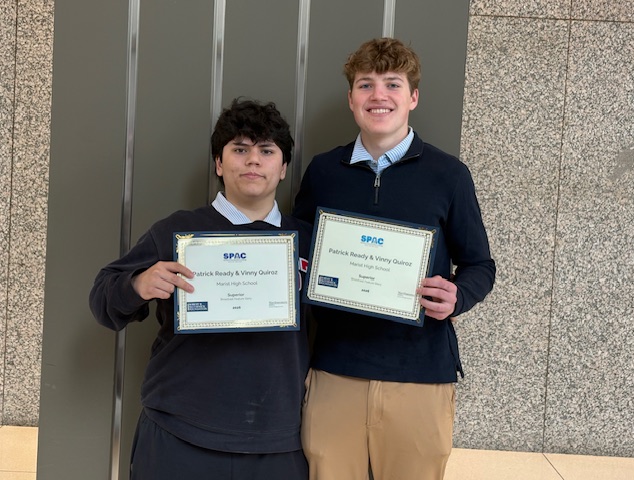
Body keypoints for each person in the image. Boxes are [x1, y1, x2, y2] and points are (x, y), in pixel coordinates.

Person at [293, 38, 496, 480]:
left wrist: (457, 296)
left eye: (392, 84)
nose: (378, 95)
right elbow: (300, 255)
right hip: (336, 372)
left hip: (420, 375)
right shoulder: (323, 172)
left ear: (413, 97)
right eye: (365, 84)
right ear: (351, 99)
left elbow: (481, 266)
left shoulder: (449, 175)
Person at [90, 98, 311, 480]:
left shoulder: (309, 241)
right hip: (179, 433)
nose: (253, 160)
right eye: (239, 149)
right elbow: (102, 301)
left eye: (266, 151)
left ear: (283, 167)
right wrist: (138, 284)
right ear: (219, 163)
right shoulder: (176, 231)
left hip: (276, 442)